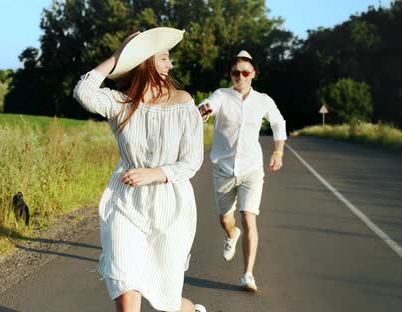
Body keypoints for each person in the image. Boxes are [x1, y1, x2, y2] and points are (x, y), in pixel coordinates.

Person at [73, 27, 206, 312]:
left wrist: (155, 173)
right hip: (125, 203)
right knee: (125, 284)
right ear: (145, 62)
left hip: (169, 205)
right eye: (164, 58)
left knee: (167, 299)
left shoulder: (183, 102)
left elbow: (192, 161)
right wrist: (119, 55)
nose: (170, 65)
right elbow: (83, 92)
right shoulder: (120, 103)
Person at [197, 50, 287, 292]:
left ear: (253, 74)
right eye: (236, 72)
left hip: (251, 169)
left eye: (245, 72)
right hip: (223, 168)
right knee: (226, 219)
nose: (240, 76)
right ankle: (231, 233)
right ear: (231, 74)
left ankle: (247, 274)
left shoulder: (263, 100)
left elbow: (278, 123)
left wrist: (278, 152)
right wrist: (204, 110)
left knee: (249, 217)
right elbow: (208, 105)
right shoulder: (222, 95)